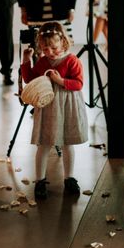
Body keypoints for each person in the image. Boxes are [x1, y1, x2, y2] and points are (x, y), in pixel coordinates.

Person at [20, 22, 87, 200]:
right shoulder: (43, 61)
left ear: (63, 42)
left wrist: (60, 81)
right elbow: (30, 79)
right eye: (44, 48)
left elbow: (79, 84)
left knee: (67, 143)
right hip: (48, 107)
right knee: (44, 144)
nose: (49, 51)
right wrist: (26, 60)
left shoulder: (72, 60)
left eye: (53, 47)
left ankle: (69, 177)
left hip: (66, 106)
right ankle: (40, 180)